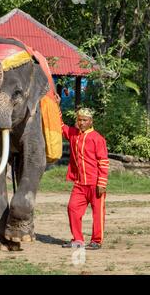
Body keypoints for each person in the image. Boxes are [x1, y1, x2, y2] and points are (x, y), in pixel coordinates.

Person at [56, 95, 109, 250]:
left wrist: (102, 183)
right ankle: (77, 240)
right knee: (72, 208)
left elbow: (103, 162)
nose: (82, 122)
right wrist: (57, 106)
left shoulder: (97, 138)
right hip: (79, 184)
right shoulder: (73, 134)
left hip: (95, 184)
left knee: (97, 213)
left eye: (85, 120)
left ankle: (96, 241)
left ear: (91, 121)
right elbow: (59, 126)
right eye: (80, 120)